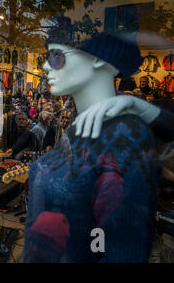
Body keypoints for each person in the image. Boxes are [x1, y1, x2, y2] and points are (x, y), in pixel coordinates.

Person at [23, 31, 160, 262]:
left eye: (57, 55)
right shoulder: (81, 128)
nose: (46, 66)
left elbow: (122, 252)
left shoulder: (125, 137)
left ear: (98, 58)